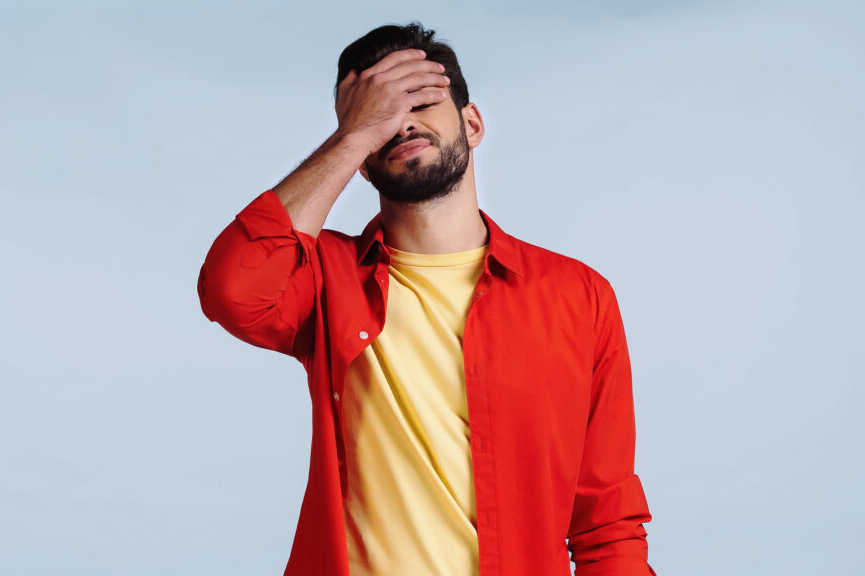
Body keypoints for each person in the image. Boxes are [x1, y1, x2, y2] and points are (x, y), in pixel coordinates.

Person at [197, 22, 656, 576]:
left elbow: (607, 521)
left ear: (472, 122)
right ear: (362, 160)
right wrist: (350, 137)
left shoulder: (579, 296)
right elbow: (233, 290)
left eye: (419, 100)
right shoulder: (324, 280)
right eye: (380, 114)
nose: (402, 122)